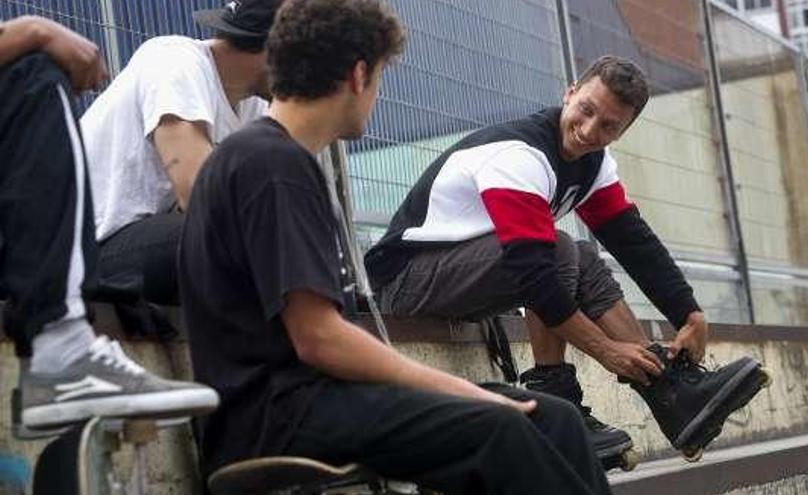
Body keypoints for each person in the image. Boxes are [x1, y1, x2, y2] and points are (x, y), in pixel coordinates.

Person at [179, 1, 611, 493]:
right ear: (359, 74)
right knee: (500, 427)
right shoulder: (271, 165)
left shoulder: (276, 159)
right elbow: (318, 337)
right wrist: (463, 391)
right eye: (381, 77)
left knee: (552, 418)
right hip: (273, 418)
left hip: (314, 401)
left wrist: (466, 393)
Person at [364, 55, 768, 462]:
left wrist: (689, 314)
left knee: (583, 257)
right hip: (405, 283)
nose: (590, 130)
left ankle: (673, 397)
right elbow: (534, 277)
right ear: (570, 92)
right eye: (586, 110)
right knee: (555, 250)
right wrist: (606, 351)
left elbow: (633, 242)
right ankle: (554, 400)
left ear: (624, 130)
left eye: (609, 125)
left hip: (461, 280)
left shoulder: (594, 165)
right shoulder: (520, 156)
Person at [0, 15, 218, 431]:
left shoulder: (258, 108)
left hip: (53, 255)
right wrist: (33, 31)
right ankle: (61, 351)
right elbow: (203, 201)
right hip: (101, 247)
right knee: (31, 70)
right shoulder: (176, 62)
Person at [79, 0, 280, 308]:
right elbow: (199, 194)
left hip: (148, 238)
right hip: (90, 248)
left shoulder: (255, 107)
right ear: (274, 50)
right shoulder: (175, 61)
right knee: (235, 239)